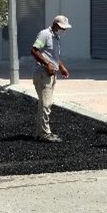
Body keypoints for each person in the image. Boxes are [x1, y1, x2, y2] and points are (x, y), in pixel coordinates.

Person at [31, 15, 72, 143]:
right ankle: (45, 134)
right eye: (62, 28)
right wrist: (46, 64)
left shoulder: (56, 37)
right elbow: (34, 50)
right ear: (55, 25)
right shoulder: (45, 35)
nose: (63, 31)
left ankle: (40, 133)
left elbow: (52, 56)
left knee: (44, 104)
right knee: (46, 104)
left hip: (50, 74)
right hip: (42, 74)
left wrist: (61, 67)